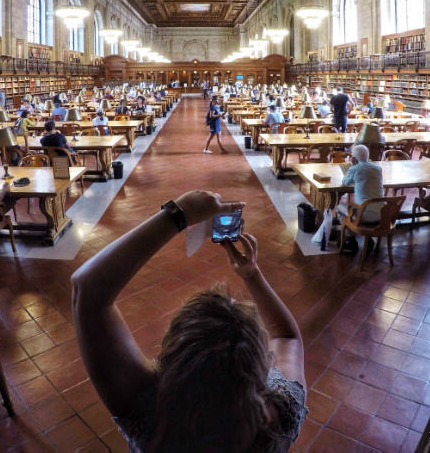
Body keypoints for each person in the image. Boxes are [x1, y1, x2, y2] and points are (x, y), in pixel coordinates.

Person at [71, 190, 306, 453]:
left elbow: (88, 289)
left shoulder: (149, 412)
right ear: (259, 367)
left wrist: (177, 214)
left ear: (174, 353)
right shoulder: (281, 416)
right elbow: (287, 337)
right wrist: (252, 275)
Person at [337, 144, 385, 224]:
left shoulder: (354, 169)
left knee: (339, 208)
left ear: (354, 158)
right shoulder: (378, 169)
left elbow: (344, 183)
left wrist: (352, 166)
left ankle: (350, 234)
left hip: (362, 214)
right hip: (381, 213)